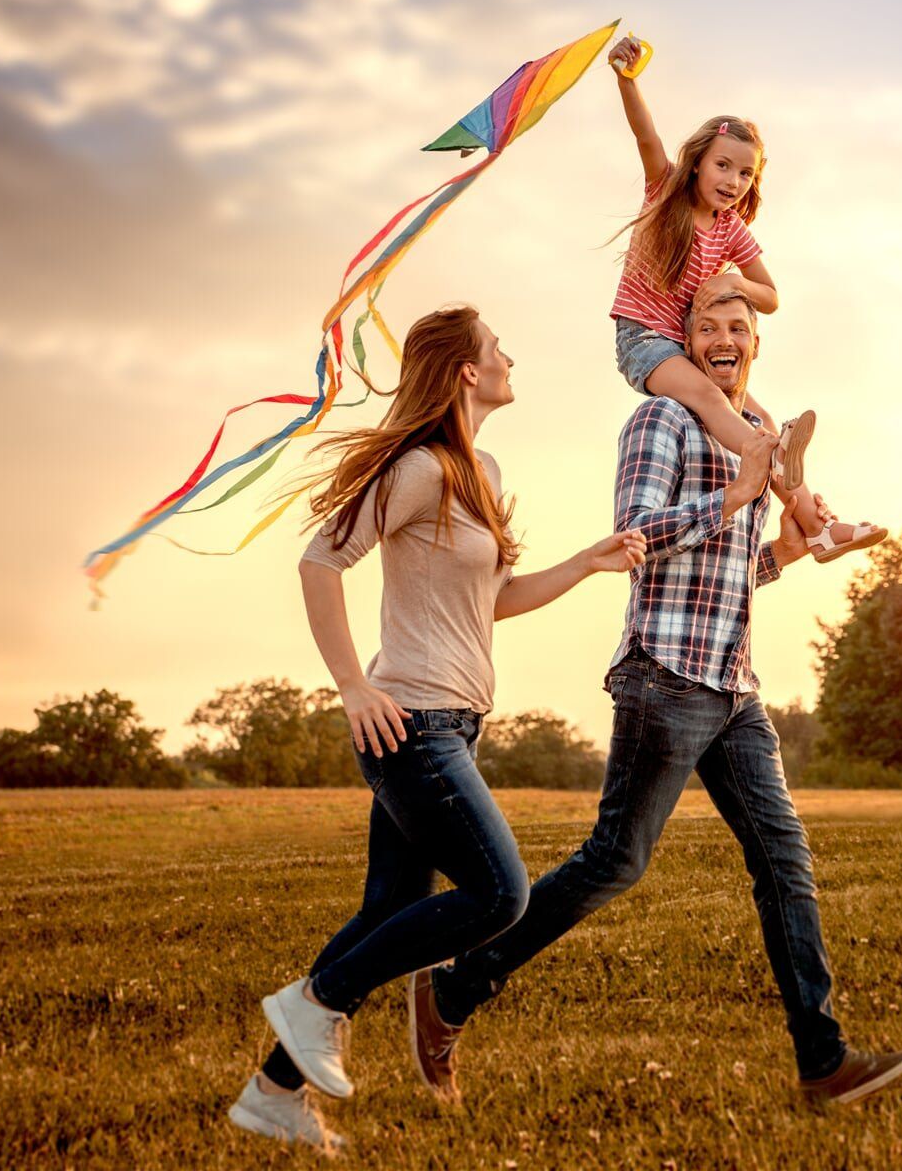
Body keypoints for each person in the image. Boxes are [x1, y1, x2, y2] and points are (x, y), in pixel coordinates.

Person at [414, 290, 902, 1105]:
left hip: (734, 684)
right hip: (664, 677)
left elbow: (727, 575)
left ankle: (822, 1064)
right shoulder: (660, 423)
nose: (725, 339)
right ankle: (455, 989)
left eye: (739, 329)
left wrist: (784, 553)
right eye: (707, 329)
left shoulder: (746, 437)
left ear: (753, 348)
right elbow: (635, 538)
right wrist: (735, 495)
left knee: (784, 861)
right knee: (615, 861)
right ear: (682, 347)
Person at [226, 305, 648, 1149]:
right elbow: (321, 559)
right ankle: (315, 1002)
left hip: (453, 721)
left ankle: (271, 1095)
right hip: (407, 720)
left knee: (390, 906)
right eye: (497, 347)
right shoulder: (418, 467)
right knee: (500, 894)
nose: (508, 356)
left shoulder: (478, 468)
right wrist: (352, 685)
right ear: (464, 369)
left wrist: (585, 562)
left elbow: (490, 603)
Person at [602, 32, 885, 566]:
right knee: (716, 405)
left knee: (763, 421)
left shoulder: (731, 229)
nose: (733, 180)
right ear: (697, 164)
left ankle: (819, 529)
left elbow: (771, 295)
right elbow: (645, 137)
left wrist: (735, 283)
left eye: (745, 172)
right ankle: (772, 456)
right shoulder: (665, 192)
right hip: (643, 341)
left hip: (685, 348)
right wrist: (627, 80)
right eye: (723, 166)